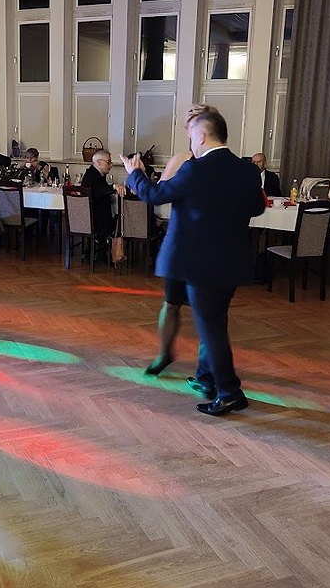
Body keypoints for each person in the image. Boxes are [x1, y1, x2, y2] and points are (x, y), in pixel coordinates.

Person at [121, 110, 265, 416]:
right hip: (232, 261)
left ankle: (230, 391)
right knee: (216, 323)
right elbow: (257, 208)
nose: (190, 141)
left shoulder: (194, 169)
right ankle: (211, 380)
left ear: (201, 136)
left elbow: (154, 195)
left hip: (202, 264)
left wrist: (134, 173)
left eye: (191, 135)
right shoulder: (248, 170)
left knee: (212, 330)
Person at [145, 104, 218, 376]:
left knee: (208, 312)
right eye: (191, 122)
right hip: (181, 243)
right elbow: (160, 194)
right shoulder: (180, 160)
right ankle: (164, 353)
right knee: (171, 303)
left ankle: (205, 370)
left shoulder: (218, 161)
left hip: (209, 246)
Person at [82, 150, 127, 253]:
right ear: (98, 162)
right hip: (95, 219)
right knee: (120, 220)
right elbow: (95, 192)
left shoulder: (97, 174)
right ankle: (110, 250)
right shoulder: (92, 175)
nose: (111, 165)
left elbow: (101, 190)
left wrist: (110, 192)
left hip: (96, 216)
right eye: (108, 162)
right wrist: (113, 187)